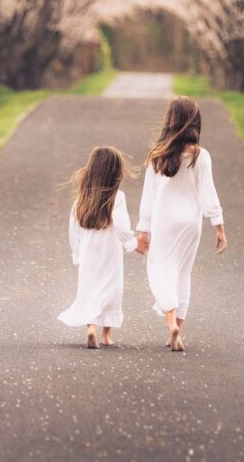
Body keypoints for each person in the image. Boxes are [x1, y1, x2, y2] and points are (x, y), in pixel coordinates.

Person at [136, 97, 227, 352]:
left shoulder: (158, 156)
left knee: (160, 269)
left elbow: (149, 198)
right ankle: (179, 330)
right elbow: (208, 194)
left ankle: (170, 321)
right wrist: (218, 226)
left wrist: (144, 230)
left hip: (165, 221)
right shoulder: (201, 156)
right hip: (191, 222)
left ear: (169, 122)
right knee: (183, 272)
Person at [58, 146, 140, 349]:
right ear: (115, 173)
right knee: (111, 289)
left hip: (88, 250)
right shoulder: (117, 197)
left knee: (89, 288)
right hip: (109, 251)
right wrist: (132, 243)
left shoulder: (82, 197)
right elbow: (121, 225)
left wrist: (76, 254)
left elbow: (73, 229)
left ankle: (91, 328)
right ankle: (106, 335)